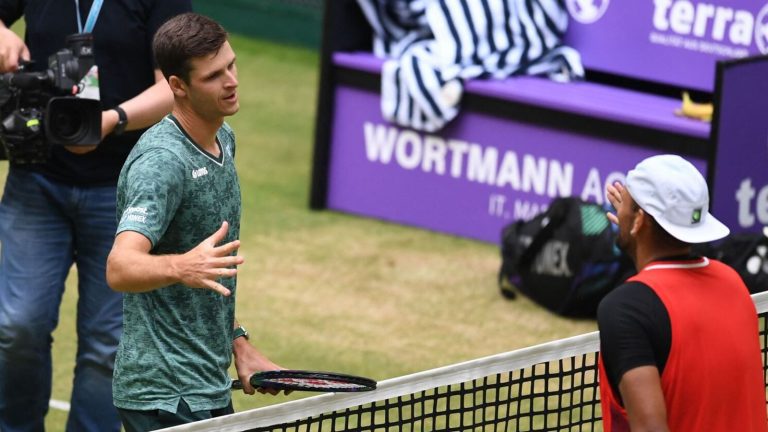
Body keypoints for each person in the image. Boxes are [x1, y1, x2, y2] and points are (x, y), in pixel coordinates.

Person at [0, 1, 191, 431]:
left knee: (107, 347)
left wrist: (112, 120)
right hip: (36, 179)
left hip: (122, 190)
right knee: (17, 329)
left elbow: (173, 86)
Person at [105, 13, 285, 430]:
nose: (231, 81)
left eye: (231, 65)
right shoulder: (162, 163)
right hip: (163, 395)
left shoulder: (223, 138)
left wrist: (238, 342)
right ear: (178, 87)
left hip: (205, 385)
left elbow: (210, 276)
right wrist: (180, 266)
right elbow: (119, 266)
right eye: (213, 76)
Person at [598, 154, 768, 432]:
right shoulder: (732, 282)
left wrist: (636, 236)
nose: (619, 209)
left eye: (626, 204)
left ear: (640, 219)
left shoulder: (625, 309)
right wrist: (637, 237)